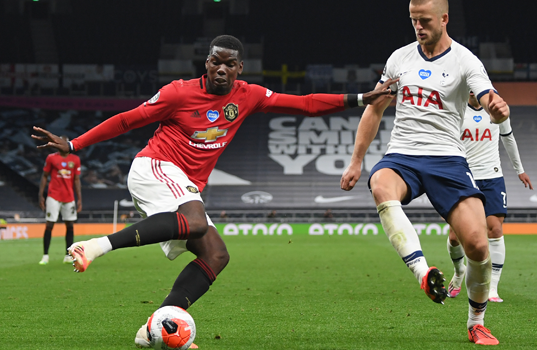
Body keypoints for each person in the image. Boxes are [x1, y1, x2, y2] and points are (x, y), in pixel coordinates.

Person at [32, 34, 396, 349]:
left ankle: (155, 325)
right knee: (194, 222)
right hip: (154, 167)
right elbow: (128, 119)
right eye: (215, 62)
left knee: (216, 255)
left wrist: (362, 98)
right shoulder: (177, 93)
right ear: (206, 63)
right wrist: (74, 144)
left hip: (182, 185)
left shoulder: (248, 96)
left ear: (240, 69)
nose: (221, 69)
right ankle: (94, 246)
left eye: (230, 64)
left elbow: (304, 103)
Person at [340, 0, 509, 345]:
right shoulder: (399, 59)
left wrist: (496, 106)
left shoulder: (466, 61)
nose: (418, 26)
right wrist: (357, 160)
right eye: (413, 20)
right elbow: (374, 110)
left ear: (445, 19)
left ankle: (476, 322)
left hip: (448, 159)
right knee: (381, 184)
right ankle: (423, 272)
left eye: (425, 20)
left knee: (478, 245)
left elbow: (486, 97)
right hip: (403, 154)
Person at [446, 92, 533, 304]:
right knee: (455, 236)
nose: (474, 92)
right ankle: (459, 272)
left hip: (492, 176)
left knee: (494, 229)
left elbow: (508, 137)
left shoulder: (496, 107)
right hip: (463, 176)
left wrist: (519, 169)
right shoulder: (455, 109)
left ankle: (492, 288)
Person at [38, 136, 82, 265]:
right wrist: (41, 195)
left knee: (70, 225)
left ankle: (68, 255)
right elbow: (44, 176)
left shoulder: (75, 160)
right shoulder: (51, 158)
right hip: (53, 196)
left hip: (69, 197)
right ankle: (45, 255)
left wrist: (79, 199)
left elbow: (76, 180)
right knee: (49, 224)